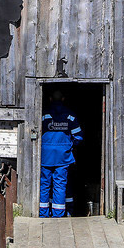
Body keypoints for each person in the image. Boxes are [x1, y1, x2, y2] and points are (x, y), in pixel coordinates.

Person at [39, 90, 82, 218]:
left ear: (50, 99)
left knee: (44, 185)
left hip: (45, 156)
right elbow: (78, 137)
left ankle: (43, 214)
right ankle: (58, 214)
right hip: (63, 157)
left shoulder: (42, 115)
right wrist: (68, 145)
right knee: (60, 185)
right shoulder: (70, 116)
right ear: (63, 99)